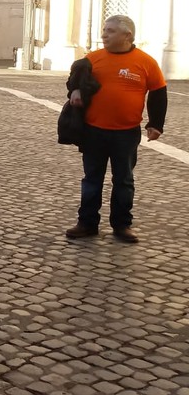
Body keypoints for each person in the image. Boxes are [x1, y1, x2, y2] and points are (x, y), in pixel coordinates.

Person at [65, 15, 166, 244]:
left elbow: (158, 92)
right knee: (92, 179)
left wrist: (156, 124)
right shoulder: (92, 59)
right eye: (104, 30)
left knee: (124, 180)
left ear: (127, 35)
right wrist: (75, 91)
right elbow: (75, 80)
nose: (104, 35)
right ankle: (87, 223)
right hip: (94, 130)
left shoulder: (146, 62)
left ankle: (122, 225)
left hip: (126, 133)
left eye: (110, 31)